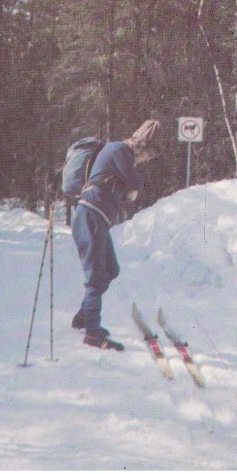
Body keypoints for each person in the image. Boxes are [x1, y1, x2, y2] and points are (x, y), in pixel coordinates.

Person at [70, 119, 162, 350]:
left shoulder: (121, 155)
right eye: (148, 155)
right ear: (142, 145)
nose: (146, 160)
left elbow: (131, 185)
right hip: (90, 216)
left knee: (111, 269)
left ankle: (83, 318)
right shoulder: (119, 150)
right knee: (96, 276)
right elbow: (136, 182)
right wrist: (132, 187)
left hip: (96, 218)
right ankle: (92, 334)